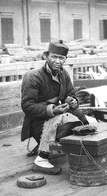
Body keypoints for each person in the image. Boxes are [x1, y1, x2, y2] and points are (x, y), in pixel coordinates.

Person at [21, 40, 89, 175]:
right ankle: (41, 160)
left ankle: (86, 145)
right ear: (46, 56)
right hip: (37, 122)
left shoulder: (64, 75)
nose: (57, 61)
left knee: (78, 115)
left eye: (61, 58)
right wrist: (52, 110)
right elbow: (27, 106)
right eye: (54, 57)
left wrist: (72, 101)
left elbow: (70, 95)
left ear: (65, 59)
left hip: (55, 117)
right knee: (65, 120)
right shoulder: (33, 76)